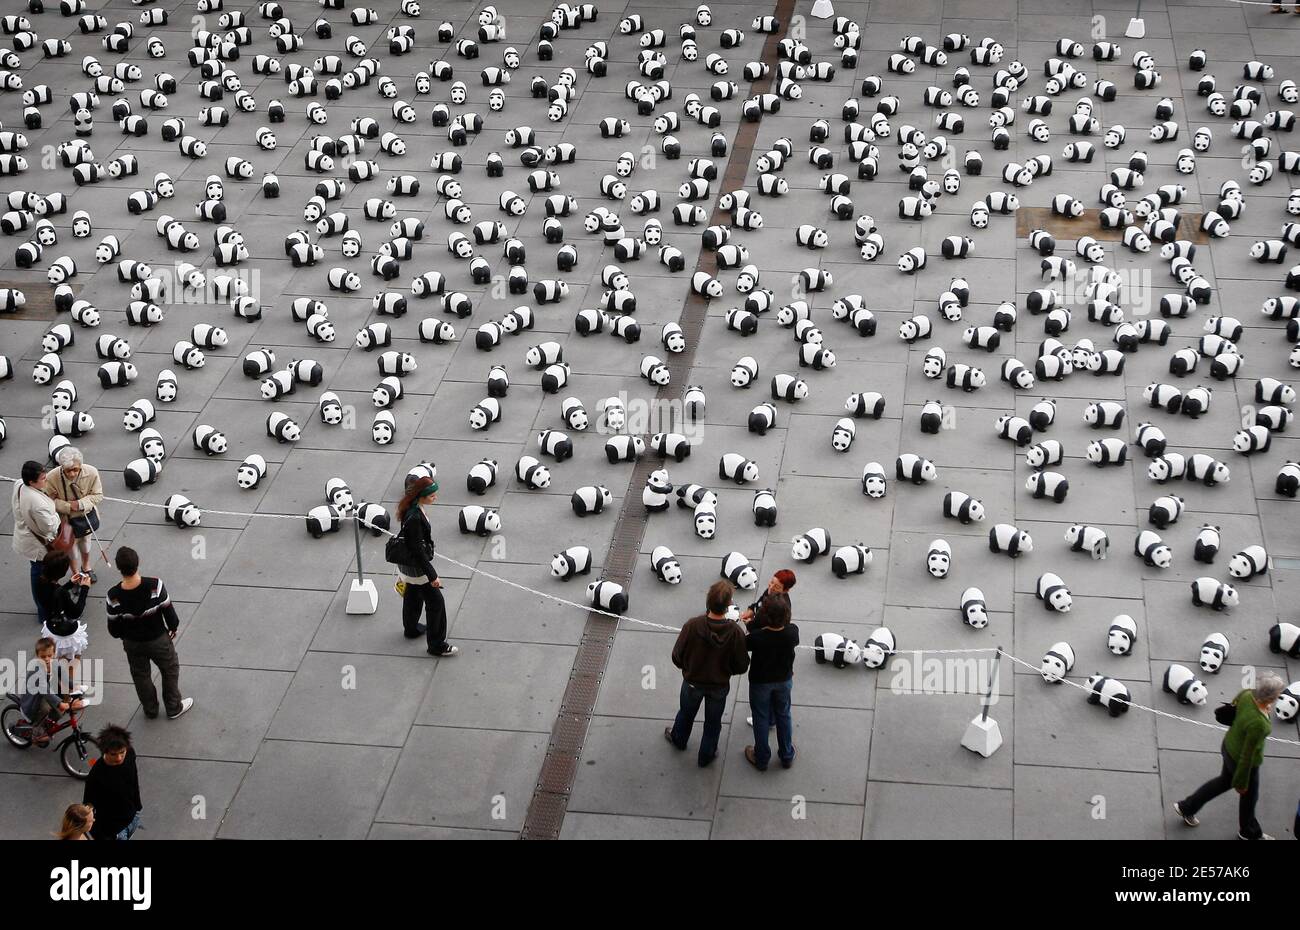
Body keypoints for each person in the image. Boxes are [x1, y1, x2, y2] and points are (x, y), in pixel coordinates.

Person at [1174, 676, 1286, 839]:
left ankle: (1187, 807)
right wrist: (1241, 782)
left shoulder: (1248, 694)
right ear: (1270, 698)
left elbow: (1236, 706)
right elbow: (1247, 755)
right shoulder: (1259, 724)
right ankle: (1248, 832)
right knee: (1249, 798)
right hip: (1242, 759)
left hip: (1229, 746)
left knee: (1223, 782)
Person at [665, 580, 749, 767]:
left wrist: (688, 668)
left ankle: (678, 739)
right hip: (719, 686)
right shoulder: (735, 633)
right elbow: (742, 665)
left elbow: (676, 655)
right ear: (728, 606)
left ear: (708, 601)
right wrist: (726, 671)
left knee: (685, 714)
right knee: (713, 723)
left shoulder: (692, 625)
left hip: (693, 683)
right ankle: (706, 754)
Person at [104, 547, 193, 720]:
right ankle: (173, 707)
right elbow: (170, 614)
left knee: (140, 675)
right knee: (169, 669)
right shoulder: (155, 586)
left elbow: (113, 629)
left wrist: (125, 636)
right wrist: (172, 628)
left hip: (132, 643)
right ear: (137, 564)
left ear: (118, 568)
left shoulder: (113, 596)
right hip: (158, 639)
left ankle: (151, 710)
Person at [394, 475, 458, 657]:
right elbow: (418, 551)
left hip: (407, 565)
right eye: (431, 496)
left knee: (412, 595)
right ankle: (436, 644)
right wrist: (433, 576)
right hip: (417, 568)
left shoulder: (411, 507)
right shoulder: (415, 517)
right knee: (436, 603)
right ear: (421, 496)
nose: (435, 498)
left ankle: (411, 628)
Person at [744, 592, 798, 771]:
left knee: (761, 717)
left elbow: (746, 643)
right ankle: (786, 754)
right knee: (784, 714)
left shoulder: (757, 637)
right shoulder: (792, 632)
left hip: (761, 681)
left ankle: (761, 757)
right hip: (784, 680)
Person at [43, 446, 105, 582]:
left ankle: (86, 567)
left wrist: (79, 504)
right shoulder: (52, 477)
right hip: (65, 520)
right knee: (70, 548)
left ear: (80, 466)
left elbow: (98, 495)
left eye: (75, 470)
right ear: (61, 467)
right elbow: (48, 501)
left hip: (86, 516)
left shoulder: (92, 472)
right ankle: (76, 573)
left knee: (86, 543)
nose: (72, 474)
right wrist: (67, 506)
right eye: (68, 471)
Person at [11, 461, 60, 625]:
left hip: (25, 535)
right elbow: (49, 527)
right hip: (38, 545)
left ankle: (43, 608)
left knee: (37, 571)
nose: (46, 480)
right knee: (40, 573)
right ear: (32, 481)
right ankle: (44, 611)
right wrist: (56, 515)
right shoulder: (38, 504)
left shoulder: (19, 484)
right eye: (43, 478)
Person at [35, 551, 90, 693]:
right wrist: (84, 588)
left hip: (51, 628)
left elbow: (54, 594)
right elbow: (76, 611)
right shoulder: (61, 593)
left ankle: (58, 687)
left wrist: (68, 585)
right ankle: (68, 693)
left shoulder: (39, 582)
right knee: (72, 660)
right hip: (67, 633)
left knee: (56, 662)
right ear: (62, 571)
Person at [20, 637, 83, 748]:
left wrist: (74, 686)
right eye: (43, 657)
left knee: (59, 711)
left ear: (54, 654)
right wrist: (59, 703)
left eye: (50, 656)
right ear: (37, 655)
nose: (47, 659)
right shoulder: (37, 668)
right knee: (46, 709)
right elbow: (44, 689)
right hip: (34, 697)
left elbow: (63, 675)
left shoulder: (53, 663)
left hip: (44, 692)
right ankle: (35, 732)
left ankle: (46, 725)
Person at [83, 725, 142, 840]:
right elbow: (88, 806)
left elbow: (134, 780)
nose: (119, 758)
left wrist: (137, 806)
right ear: (105, 752)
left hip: (132, 815)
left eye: (122, 752)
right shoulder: (96, 776)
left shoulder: (130, 753)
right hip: (114, 830)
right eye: (113, 754)